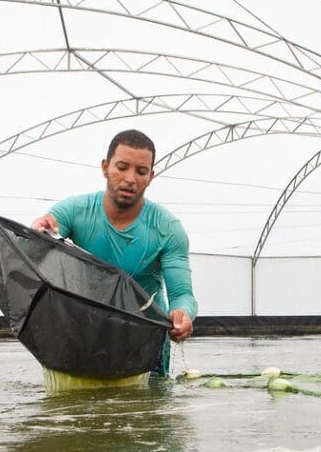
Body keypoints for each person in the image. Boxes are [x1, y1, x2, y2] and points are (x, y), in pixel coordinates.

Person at [31, 129, 197, 377]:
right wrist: (42, 228)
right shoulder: (75, 210)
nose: (130, 178)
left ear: (150, 177)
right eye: (122, 167)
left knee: (148, 409)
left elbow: (182, 294)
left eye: (141, 172)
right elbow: (49, 229)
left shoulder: (167, 229)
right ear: (106, 167)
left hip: (145, 339)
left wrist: (183, 315)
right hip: (85, 330)